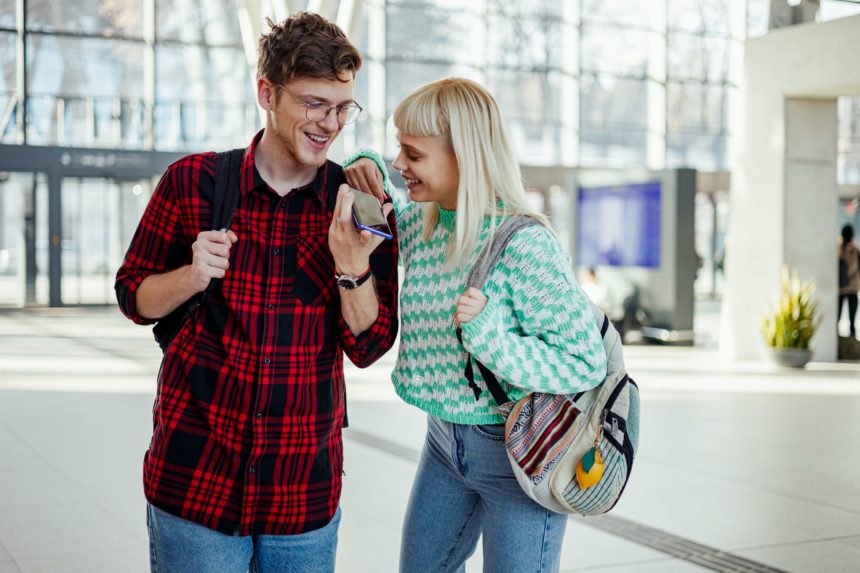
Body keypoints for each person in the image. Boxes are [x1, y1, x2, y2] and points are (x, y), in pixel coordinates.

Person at [114, 13, 398, 573]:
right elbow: (133, 297)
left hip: (303, 494)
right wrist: (192, 276)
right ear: (267, 92)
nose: (330, 123)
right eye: (314, 103)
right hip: (196, 482)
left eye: (343, 108)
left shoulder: (357, 205)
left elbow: (370, 346)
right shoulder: (192, 183)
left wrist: (352, 269)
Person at [343, 78, 607, 573]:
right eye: (398, 150)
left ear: (463, 155)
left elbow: (584, 363)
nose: (400, 164)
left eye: (412, 154)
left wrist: (492, 339)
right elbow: (375, 214)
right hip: (444, 443)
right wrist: (369, 167)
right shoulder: (426, 222)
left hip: (518, 453)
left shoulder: (524, 245)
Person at [839, 224, 860, 338]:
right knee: (843, 315)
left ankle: (851, 334)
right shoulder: (852, 249)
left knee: (852, 316)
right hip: (844, 287)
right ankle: (850, 334)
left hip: (849, 287)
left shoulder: (854, 250)